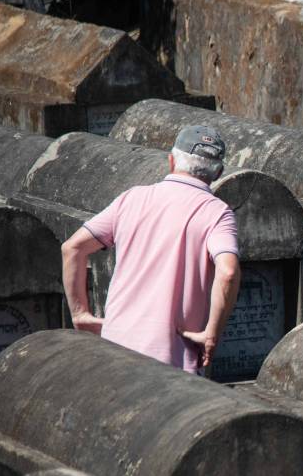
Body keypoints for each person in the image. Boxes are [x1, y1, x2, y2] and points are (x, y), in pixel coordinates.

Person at [60, 125, 241, 373]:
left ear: (171, 161)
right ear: (218, 171)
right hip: (172, 358)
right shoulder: (217, 213)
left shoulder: (132, 198)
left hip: (116, 349)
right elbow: (228, 272)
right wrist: (211, 333)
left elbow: (73, 248)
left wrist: (80, 313)